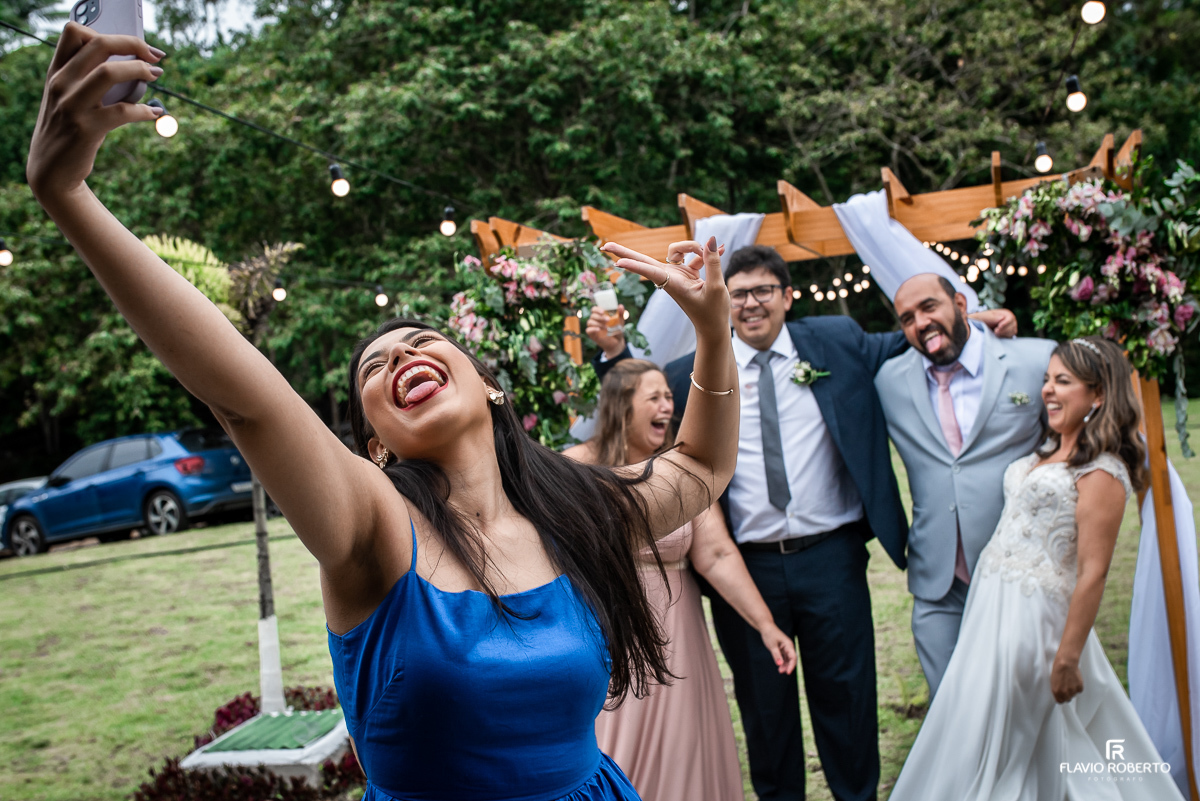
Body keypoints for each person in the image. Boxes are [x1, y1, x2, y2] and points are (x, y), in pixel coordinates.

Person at [26, 24, 742, 801]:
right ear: (375, 446)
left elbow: (702, 466)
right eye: (378, 365)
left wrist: (712, 330)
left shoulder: (574, 508)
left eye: (422, 341)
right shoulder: (371, 525)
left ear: (491, 386)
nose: (401, 356)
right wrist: (68, 196)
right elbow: (244, 398)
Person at [590, 245, 1016, 801]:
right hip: (747, 565)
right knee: (766, 714)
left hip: (832, 558)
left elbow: (911, 338)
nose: (749, 304)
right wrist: (612, 352)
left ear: (788, 297)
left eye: (763, 290)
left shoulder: (836, 341)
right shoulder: (690, 371)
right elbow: (631, 397)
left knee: (848, 700)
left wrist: (980, 320)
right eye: (737, 293)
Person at [888, 337, 1183, 800]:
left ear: (1098, 394)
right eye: (1046, 379)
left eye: (1062, 381)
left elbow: (1094, 572)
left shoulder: (1102, 471)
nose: (1047, 390)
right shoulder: (1046, 447)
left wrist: (1067, 656)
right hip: (990, 613)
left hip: (1035, 624)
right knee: (983, 732)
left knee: (1023, 740)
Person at [565, 359, 797, 801]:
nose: (667, 406)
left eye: (669, 397)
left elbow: (717, 553)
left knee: (685, 750)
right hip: (608, 631)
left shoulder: (681, 470)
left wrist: (767, 625)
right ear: (620, 407)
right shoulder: (574, 469)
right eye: (653, 397)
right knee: (614, 747)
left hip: (678, 633)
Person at [874, 273, 1055, 696]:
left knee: (1025, 706)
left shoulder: (1035, 361)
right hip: (938, 587)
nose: (919, 322)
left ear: (959, 302)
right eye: (907, 319)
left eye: (929, 307)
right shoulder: (888, 381)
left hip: (1019, 572)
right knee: (951, 712)